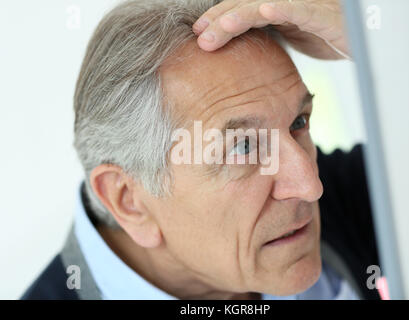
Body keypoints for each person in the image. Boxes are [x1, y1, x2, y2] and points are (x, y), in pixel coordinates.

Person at [22, 0, 380, 300]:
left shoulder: (343, 199)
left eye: (298, 123)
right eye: (242, 147)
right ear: (129, 200)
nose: (309, 185)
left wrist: (375, 42)